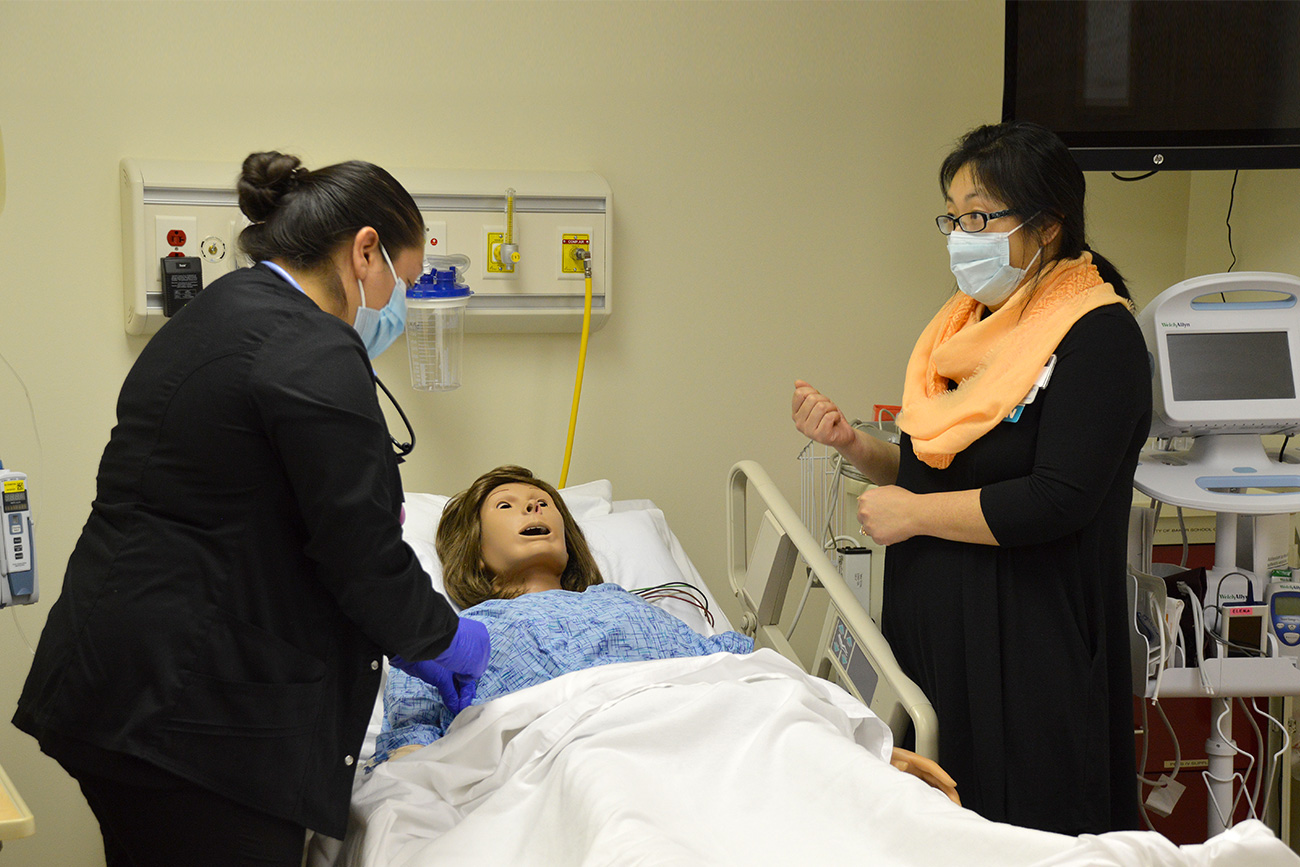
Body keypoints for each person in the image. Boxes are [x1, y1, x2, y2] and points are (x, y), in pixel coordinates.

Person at [13, 152, 488, 866]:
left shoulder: (220, 312)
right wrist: (443, 639)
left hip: (116, 681)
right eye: (405, 281)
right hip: (192, 718)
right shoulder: (311, 346)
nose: (401, 304)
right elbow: (360, 552)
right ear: (365, 251)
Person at [792, 121, 1151, 834]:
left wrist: (916, 517)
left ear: (1046, 225)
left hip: (1030, 644)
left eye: (980, 215)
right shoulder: (967, 329)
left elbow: (1057, 497)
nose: (961, 233)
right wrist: (859, 448)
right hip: (939, 637)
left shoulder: (1098, 335)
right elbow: (936, 466)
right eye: (953, 216)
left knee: (1027, 831)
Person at [374, 466, 961, 805]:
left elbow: (735, 668)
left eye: (543, 502)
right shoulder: (449, 634)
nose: (534, 508)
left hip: (696, 747)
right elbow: (414, 735)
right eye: (507, 505)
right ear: (470, 549)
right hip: (559, 767)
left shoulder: (620, 605)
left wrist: (857, 747)